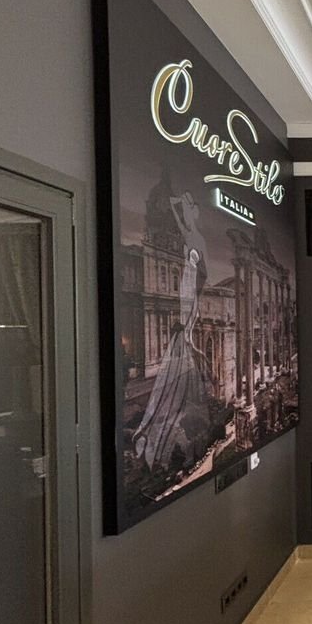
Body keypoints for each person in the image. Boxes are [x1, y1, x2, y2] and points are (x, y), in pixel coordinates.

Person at [133, 192, 211, 475]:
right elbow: (181, 224)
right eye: (185, 210)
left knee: (178, 375)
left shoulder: (195, 241)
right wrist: (177, 205)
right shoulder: (189, 237)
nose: (186, 215)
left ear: (195, 212)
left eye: (191, 209)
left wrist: (188, 322)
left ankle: (164, 441)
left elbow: (199, 279)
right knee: (177, 376)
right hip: (185, 297)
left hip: (188, 299)